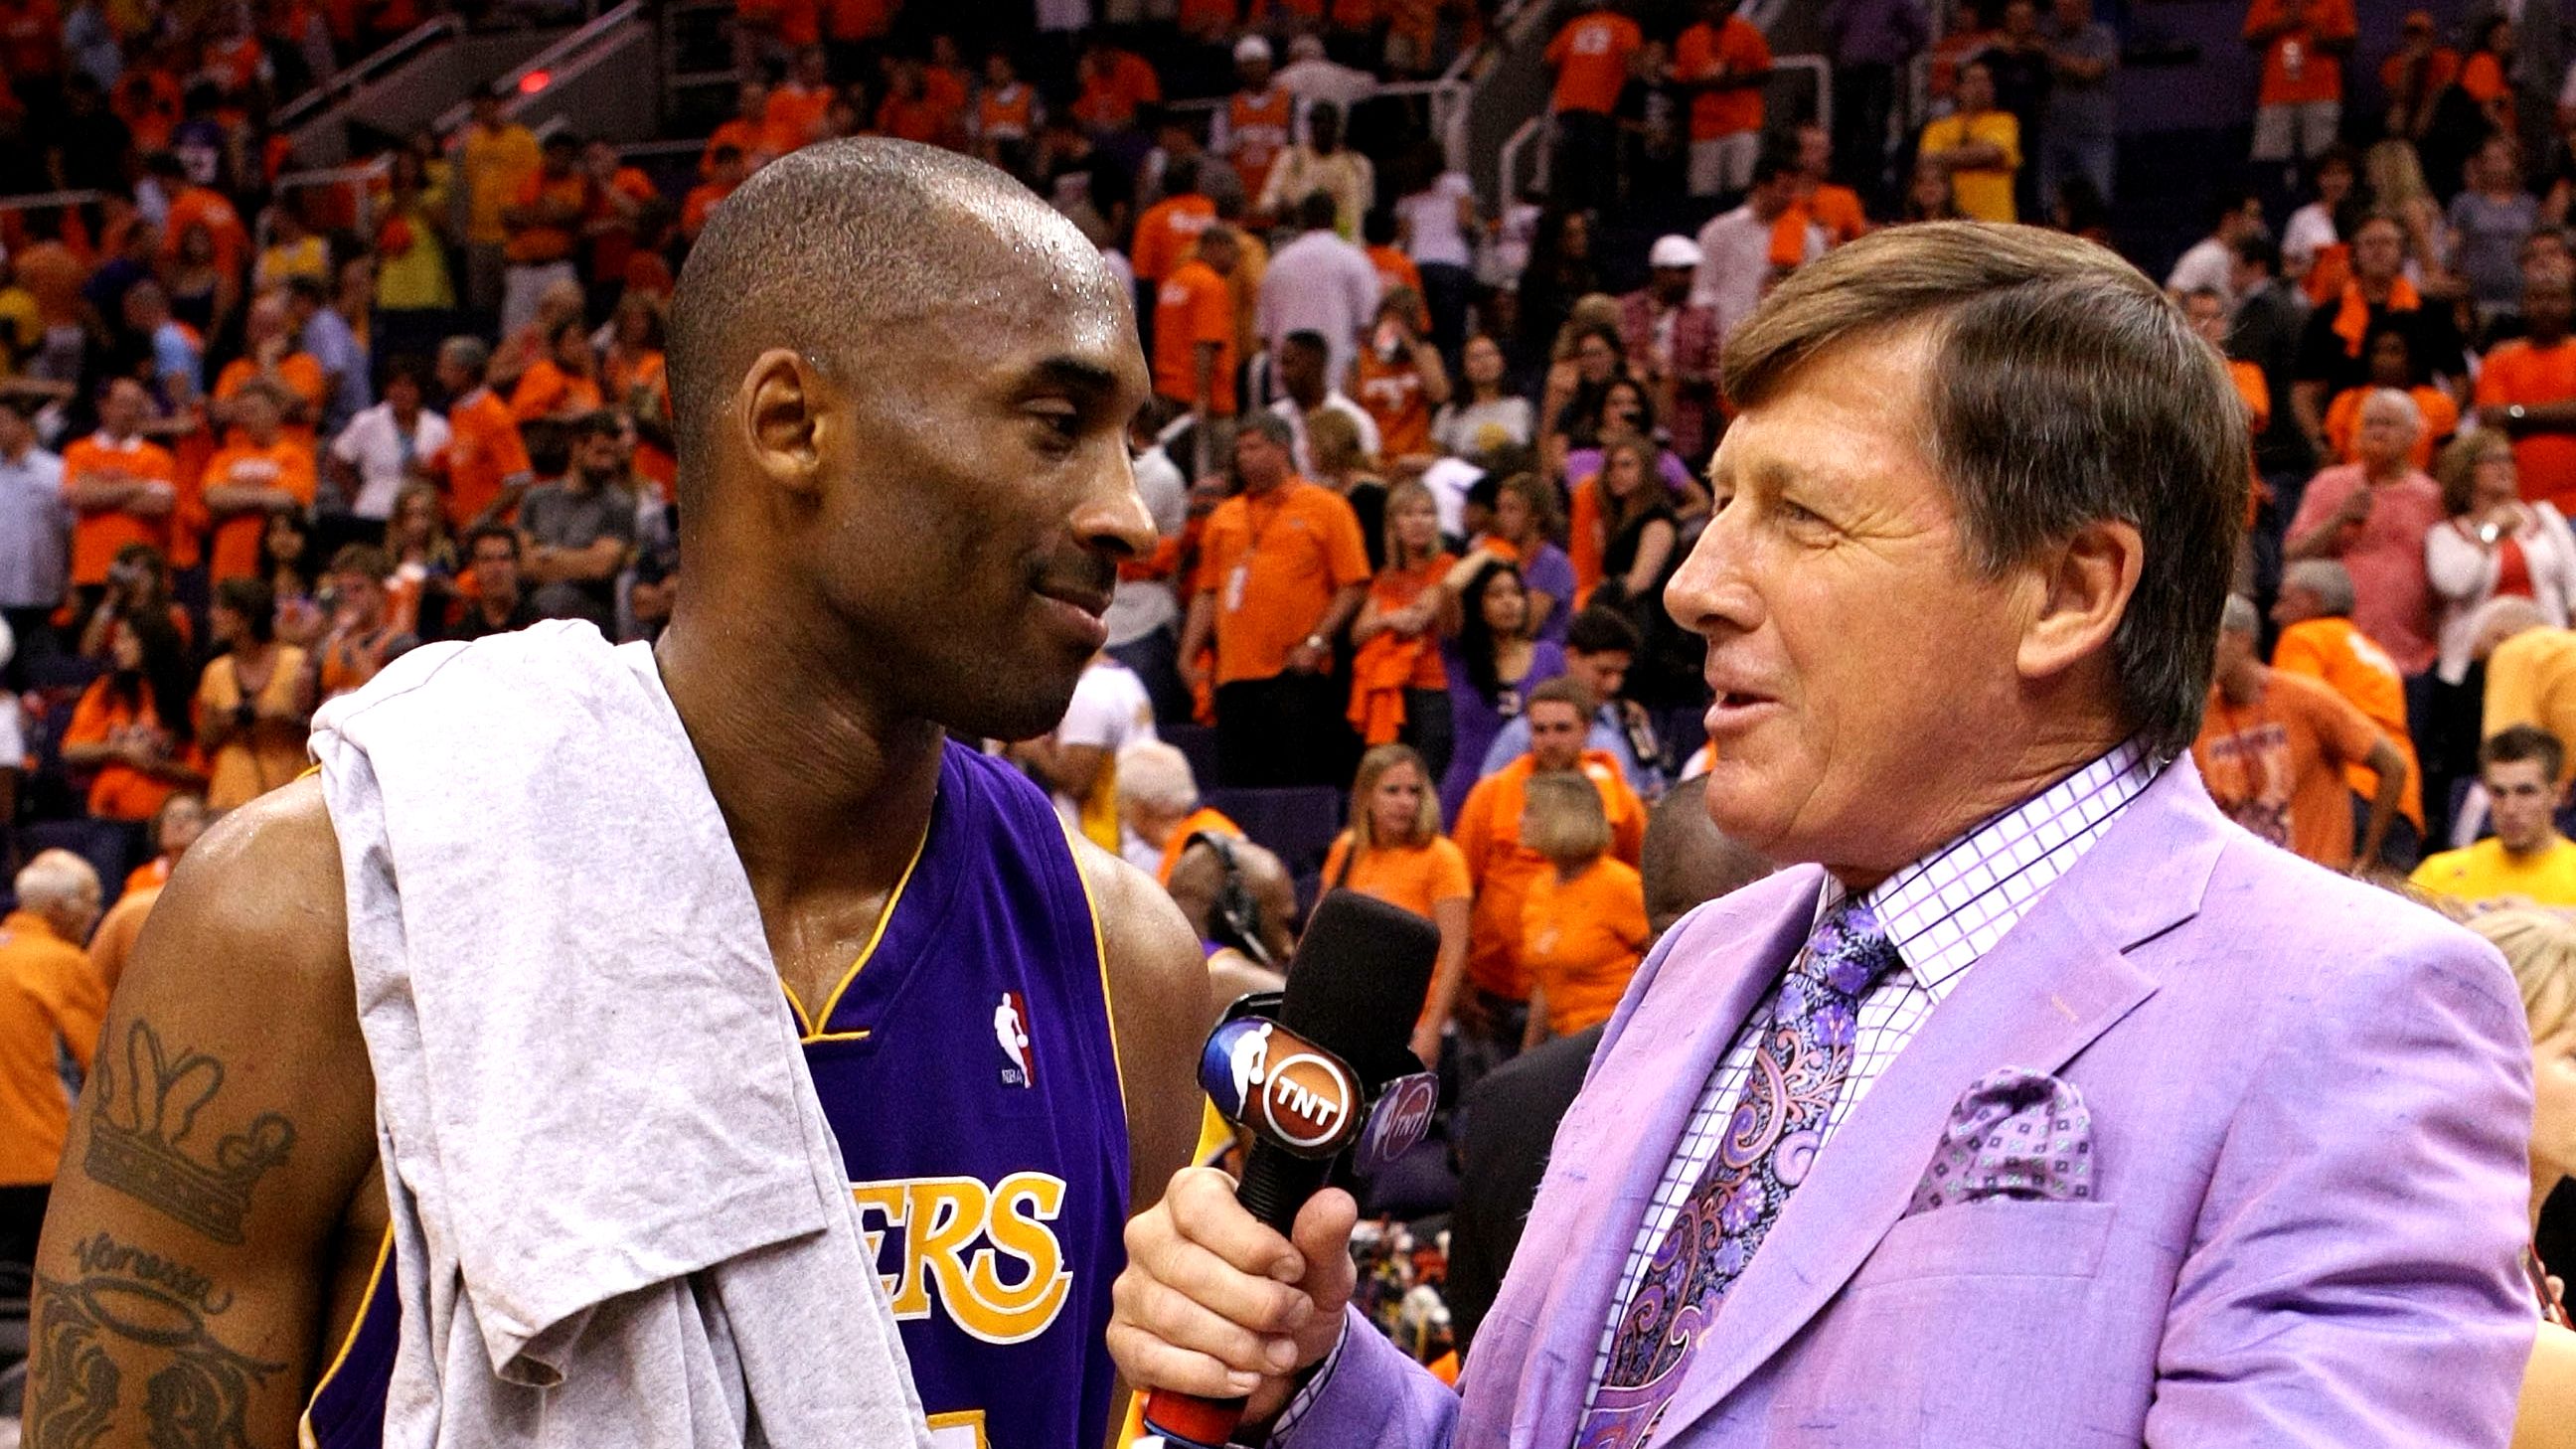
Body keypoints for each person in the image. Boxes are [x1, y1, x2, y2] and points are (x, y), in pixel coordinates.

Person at [1109, 221, 2538, 1448]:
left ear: (2069, 589)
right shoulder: (1702, 962)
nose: (1696, 586)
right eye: (1720, 504)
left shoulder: (2350, 1016)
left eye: (1801, 515)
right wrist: (1310, 1374)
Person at [28, 138, 1209, 1449]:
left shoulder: (1128, 960)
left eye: (1128, 441)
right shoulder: (309, 921)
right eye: (1056, 427)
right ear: (792, 425)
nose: (1129, 514)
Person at [1180, 412, 1370, 788]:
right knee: (1241, 789)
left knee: (1299, 786)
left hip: (1296, 672)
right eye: (1239, 450)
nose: (1244, 457)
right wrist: (1187, 655)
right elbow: (1207, 591)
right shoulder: (1224, 516)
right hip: (1234, 676)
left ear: (1282, 449)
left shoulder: (1327, 507)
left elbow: (1354, 584)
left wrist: (1317, 641)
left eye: (1253, 447)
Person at [2199, 592, 2410, 870]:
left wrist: (2367, 858)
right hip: (2248, 880)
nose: (2198, 650)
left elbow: (2393, 764)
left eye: (2210, 637)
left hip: (2317, 877)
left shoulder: (2305, 698)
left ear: (2242, 640)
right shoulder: (2200, 717)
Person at [1321, 743, 1471, 1064]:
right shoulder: (1346, 849)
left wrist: (1432, 1030)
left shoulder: (1442, 857)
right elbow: (1319, 935)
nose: (1405, 802)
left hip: (1415, 1025)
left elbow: (1455, 952)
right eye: (1392, 791)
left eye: (1414, 791)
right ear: (1366, 797)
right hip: (1351, 1021)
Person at [2286, 387, 2447, 675]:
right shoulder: (2329, 484)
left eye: (2387, 424)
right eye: (2370, 423)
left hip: (2411, 655)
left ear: (2414, 434)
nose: (2377, 432)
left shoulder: (2432, 497)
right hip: (2337, 655)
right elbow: (2292, 553)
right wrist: (2339, 519)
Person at [2271, 559, 2424, 862]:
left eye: (2285, 600)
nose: (2274, 613)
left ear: (2311, 600)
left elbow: (2297, 712)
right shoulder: (2374, 652)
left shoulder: (2304, 636)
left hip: (2347, 794)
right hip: (2402, 801)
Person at [0, 850, 105, 1280]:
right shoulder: (63, 964)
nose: (97, 915)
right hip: (42, 1162)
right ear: (60, 909)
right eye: (92, 903)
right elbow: (105, 1067)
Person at [2294, 213, 2467, 454]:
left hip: (2419, 440)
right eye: (2369, 243)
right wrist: (2321, 441)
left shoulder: (2431, 312)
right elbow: (2303, 391)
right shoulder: (2326, 316)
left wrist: (2439, 431)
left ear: (2402, 252)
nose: (2378, 250)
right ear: (2354, 253)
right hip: (2348, 441)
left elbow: (2459, 380)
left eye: (2386, 242)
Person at [1517, 767, 1650, 1051]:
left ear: (1563, 819)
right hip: (1561, 1043)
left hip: (1615, 1040)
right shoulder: (1540, 886)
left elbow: (1667, 957)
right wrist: (1527, 1057)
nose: (1520, 819)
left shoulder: (1619, 885)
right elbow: (1546, 982)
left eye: (1530, 811)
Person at [2430, 432, 2576, 686]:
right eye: (2492, 460)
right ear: (2466, 469)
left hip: (2547, 659)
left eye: (2509, 459)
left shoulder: (2545, 517)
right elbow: (2456, 585)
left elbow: (2574, 584)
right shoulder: (2445, 535)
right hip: (2476, 668)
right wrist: (2491, 530)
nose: (2504, 466)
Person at [1481, 606, 1663, 803]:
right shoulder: (1525, 731)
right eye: (1604, 672)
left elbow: (1655, 788)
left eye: (1620, 673)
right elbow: (1490, 798)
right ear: (1572, 657)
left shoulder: (1630, 722)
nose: (1614, 685)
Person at [1437, 555, 1562, 820]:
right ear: (1477, 604)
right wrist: (1487, 552)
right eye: (1496, 594)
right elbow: (1449, 587)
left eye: (1516, 593)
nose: (1509, 602)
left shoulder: (1549, 655)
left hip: (1531, 789)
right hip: (1468, 788)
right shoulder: (1460, 653)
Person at [1349, 480, 1456, 776]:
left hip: (1435, 687)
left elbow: (1417, 620)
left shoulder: (1447, 566)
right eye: (1409, 514)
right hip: (1395, 689)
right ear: (1394, 525)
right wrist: (1389, 620)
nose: (1419, 521)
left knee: (1428, 773)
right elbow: (1357, 633)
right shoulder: (1387, 577)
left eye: (1427, 513)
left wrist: (1384, 620)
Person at [61, 612, 202, 822]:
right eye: (117, 639)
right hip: (107, 816)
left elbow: (201, 773)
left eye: (126, 639)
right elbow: (71, 749)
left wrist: (156, 766)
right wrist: (122, 752)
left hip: (163, 819)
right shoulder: (106, 690)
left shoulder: (187, 695)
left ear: (151, 641)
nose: (117, 648)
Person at [1013, 649, 1157, 855]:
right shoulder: (1127, 678)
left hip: (1105, 845)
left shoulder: (1089, 693)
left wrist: (1029, 747)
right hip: (1137, 838)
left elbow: (1076, 781)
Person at [2414, 726, 2576, 904]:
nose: (2509, 809)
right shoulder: (2441, 873)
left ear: (2557, 794)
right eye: (2498, 792)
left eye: (2525, 792)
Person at [196, 576, 312, 812]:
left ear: (246, 617)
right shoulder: (215, 671)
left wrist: (280, 718)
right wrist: (225, 720)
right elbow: (205, 743)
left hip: (286, 795)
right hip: (228, 799)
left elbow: (313, 728)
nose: (212, 615)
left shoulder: (296, 663)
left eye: (222, 609)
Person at [62, 376, 179, 606]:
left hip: (144, 575)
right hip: (93, 572)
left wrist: (99, 490)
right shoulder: (79, 451)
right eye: (123, 403)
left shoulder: (159, 456)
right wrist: (138, 485)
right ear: (103, 406)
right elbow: (77, 497)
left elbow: (160, 505)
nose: (129, 412)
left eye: (136, 404)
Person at [517, 411, 639, 627]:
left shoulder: (619, 505)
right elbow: (524, 564)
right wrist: (581, 559)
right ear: (577, 446)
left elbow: (600, 567)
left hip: (588, 617)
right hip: (531, 612)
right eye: (601, 453)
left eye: (613, 455)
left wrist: (545, 554)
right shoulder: (536, 498)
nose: (608, 464)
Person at [1258, 191, 1379, 393]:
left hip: (1289, 387)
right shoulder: (1355, 260)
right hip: (1340, 384)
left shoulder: (1278, 264)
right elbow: (1369, 328)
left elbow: (1264, 336)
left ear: (1300, 220)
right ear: (1334, 219)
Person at [1689, 150, 1820, 337]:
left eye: (1793, 190)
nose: (1791, 197)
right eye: (1784, 189)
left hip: (1778, 337)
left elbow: (1814, 292)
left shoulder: (1808, 236)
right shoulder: (1719, 231)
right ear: (1761, 186)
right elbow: (1702, 291)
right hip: (1723, 337)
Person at [2477, 271, 2576, 516]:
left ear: (2571, 304)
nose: (2545, 306)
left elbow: (2504, 415)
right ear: (2522, 305)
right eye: (2536, 298)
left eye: (2555, 298)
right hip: (2516, 505)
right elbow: (2491, 418)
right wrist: (2563, 413)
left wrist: (2516, 413)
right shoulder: (2500, 357)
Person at [1619, 237, 1721, 468]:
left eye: (1691, 271)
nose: (1689, 279)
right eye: (1682, 272)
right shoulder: (1627, 309)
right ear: (1660, 272)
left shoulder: (1702, 319)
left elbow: (1716, 375)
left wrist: (1674, 376)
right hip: (1632, 420)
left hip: (1684, 429)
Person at [201, 383, 316, 583]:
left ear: (275, 412)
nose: (246, 419)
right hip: (229, 563)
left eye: (253, 410)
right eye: (242, 412)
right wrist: (266, 494)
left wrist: (234, 495)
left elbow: (289, 501)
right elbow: (212, 498)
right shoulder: (226, 456)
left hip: (274, 569)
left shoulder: (296, 455)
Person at [329, 358, 450, 542]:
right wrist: (357, 498)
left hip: (421, 518)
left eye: (409, 386)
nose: (402, 392)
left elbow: (449, 475)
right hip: (375, 511)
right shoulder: (367, 421)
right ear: (386, 389)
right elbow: (337, 462)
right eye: (396, 385)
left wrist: (428, 473)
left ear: (420, 390)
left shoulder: (438, 426)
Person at [1541, 0, 1643, 213]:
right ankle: (1600, 217)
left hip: (1568, 105)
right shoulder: (1625, 26)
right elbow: (1632, 65)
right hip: (1600, 104)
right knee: (1600, 168)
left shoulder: (1574, 25)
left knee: (1571, 168)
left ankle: (1572, 216)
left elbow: (1548, 60)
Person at [2320, 325, 2458, 471]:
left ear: (2412, 358)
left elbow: (2445, 465)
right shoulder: (2347, 401)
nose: (2382, 359)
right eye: (2376, 351)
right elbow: (2330, 460)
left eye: (2394, 351)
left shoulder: (2439, 403)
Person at [1670, 0, 1771, 200]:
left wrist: (1734, 78)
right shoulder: (1689, 38)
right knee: (1703, 196)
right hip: (1704, 130)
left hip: (1742, 125)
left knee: (1743, 193)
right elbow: (1682, 86)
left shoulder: (1746, 32)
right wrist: (1708, 81)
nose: (1713, 7)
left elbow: (1765, 72)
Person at [431, 336, 533, 532]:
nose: (439, 375)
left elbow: (519, 480)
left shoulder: (493, 415)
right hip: (467, 527)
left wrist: (481, 520)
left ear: (465, 372)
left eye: (446, 368)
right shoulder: (459, 410)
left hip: (494, 531)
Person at [1117, 738, 1246, 886]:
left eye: (1122, 808)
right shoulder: (1209, 827)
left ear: (1140, 809)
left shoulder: (1197, 855)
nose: (1122, 818)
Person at [2245, 0, 2356, 168]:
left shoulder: (2336, 2)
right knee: (2268, 163)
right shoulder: (2264, 2)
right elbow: (2251, 39)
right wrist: (2282, 24)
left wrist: (2322, 40)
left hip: (2321, 94)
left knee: (2322, 161)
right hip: (2277, 94)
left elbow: (2349, 43)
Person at [1352, 287, 1449, 471]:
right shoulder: (1361, 360)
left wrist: (1410, 344)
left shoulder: (1425, 353)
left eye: (1403, 319)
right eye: (1390, 318)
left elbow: (1440, 395)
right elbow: (1351, 411)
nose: (1394, 326)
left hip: (1416, 457)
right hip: (1376, 458)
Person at [1153, 224, 1240, 426]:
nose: (1236, 262)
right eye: (1233, 253)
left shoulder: (1175, 280)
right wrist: (1202, 397)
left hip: (1167, 388)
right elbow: (1205, 343)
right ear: (1215, 246)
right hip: (1203, 400)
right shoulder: (1210, 284)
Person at [0, 393, 68, 650]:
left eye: (3, 421)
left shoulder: (55, 471)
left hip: (43, 595)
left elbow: (70, 528)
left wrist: (71, 581)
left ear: (23, 423)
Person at [1917, 58, 2021, 223]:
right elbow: (1926, 161)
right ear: (1958, 88)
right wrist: (1978, 155)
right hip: (1951, 224)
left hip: (1996, 225)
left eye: (1986, 81)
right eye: (1973, 81)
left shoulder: (2005, 121)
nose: (1981, 87)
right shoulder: (1937, 128)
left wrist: (1945, 157)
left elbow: (1993, 153)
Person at [1267, 327, 1381, 475]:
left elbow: (1368, 473)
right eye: (1281, 364)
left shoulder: (1354, 418)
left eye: (1289, 363)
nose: (1281, 373)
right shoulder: (1274, 417)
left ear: (1314, 364)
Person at [2040, 0, 2118, 212]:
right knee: (2051, 203)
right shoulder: (2050, 36)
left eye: (2071, 7)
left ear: (2085, 7)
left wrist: (2049, 53)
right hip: (2054, 132)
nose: (2065, 13)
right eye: (2061, 8)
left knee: (2096, 200)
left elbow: (2089, 71)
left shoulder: (2101, 36)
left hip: (2092, 133)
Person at [1258, 102, 1373, 242]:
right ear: (1310, 127)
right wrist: (1283, 208)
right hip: (1298, 236)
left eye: (1329, 123)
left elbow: (1366, 206)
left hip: (1345, 240)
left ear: (1338, 127)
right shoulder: (1291, 158)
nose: (1323, 128)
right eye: (1318, 123)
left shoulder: (1357, 163)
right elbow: (1266, 202)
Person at [1210, 36, 1295, 201]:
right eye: (1248, 64)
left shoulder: (1291, 104)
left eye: (1259, 63)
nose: (1255, 69)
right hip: (1241, 197)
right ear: (1238, 69)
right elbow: (1218, 155)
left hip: (1281, 198)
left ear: (1269, 64)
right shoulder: (1226, 109)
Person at [1433, 335, 1535, 460]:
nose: (1484, 361)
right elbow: (1438, 459)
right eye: (1475, 357)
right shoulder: (1449, 413)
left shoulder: (1522, 407)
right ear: (1464, 368)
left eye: (1489, 354)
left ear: (1502, 362)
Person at [2167, 192, 2266, 307]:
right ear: (2231, 218)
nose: (2259, 224)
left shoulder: (2238, 257)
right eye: (2253, 216)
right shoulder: (2204, 256)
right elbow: (2172, 299)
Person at [120, 790, 206, 897]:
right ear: (159, 828)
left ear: (205, 827)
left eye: (189, 816)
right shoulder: (141, 878)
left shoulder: (211, 876)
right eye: (172, 816)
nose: (179, 824)